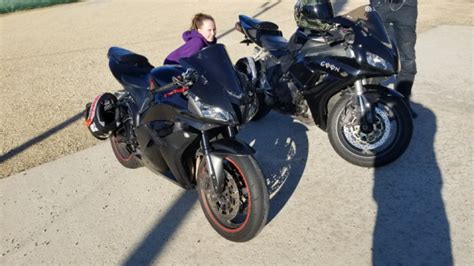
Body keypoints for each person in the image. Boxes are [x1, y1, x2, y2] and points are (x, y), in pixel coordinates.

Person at [370, 0, 418, 116]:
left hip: (407, 5)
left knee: (408, 58)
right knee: (375, 56)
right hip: (380, 4)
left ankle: (402, 103)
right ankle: (371, 103)